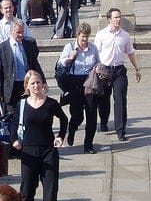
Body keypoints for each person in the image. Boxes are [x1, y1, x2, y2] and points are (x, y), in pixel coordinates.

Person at [11, 70, 67, 201]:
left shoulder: (51, 103)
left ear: (43, 84)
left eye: (38, 83)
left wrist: (60, 136)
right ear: (27, 86)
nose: (36, 86)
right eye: (32, 83)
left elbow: (64, 119)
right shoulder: (21, 104)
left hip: (48, 151)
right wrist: (14, 141)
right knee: (27, 192)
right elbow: (13, 125)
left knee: (50, 193)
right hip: (28, 152)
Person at [95, 8, 141, 140]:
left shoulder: (125, 35)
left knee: (120, 99)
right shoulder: (101, 35)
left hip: (119, 70)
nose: (118, 20)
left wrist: (137, 68)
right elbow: (96, 53)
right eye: (115, 17)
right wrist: (96, 67)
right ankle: (104, 122)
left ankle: (121, 130)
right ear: (109, 19)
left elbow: (131, 52)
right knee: (103, 99)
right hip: (104, 70)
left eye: (119, 17)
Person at [57, 22, 101, 153]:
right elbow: (61, 62)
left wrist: (98, 67)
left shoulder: (93, 48)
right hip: (74, 83)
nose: (85, 40)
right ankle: (72, 129)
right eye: (83, 37)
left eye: (87, 36)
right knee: (77, 115)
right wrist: (70, 58)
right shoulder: (70, 46)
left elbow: (98, 61)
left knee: (92, 115)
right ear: (77, 36)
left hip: (89, 82)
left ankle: (88, 145)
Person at [0, 19, 46, 112]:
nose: (21, 35)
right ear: (11, 31)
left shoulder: (29, 44)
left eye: (22, 32)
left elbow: (35, 64)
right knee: (13, 116)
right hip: (11, 87)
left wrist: (43, 81)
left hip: (26, 85)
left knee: (28, 112)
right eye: (18, 32)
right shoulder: (1, 48)